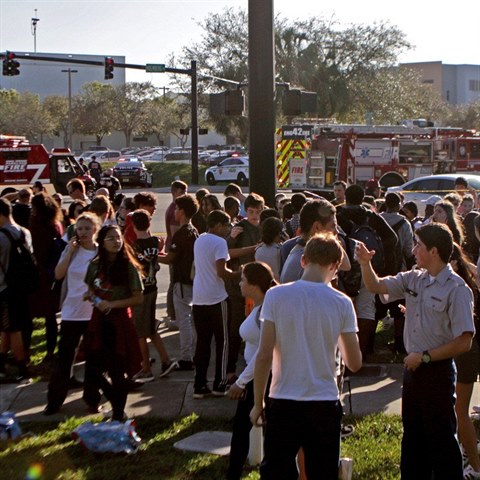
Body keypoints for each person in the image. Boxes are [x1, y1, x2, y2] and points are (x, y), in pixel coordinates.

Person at [355, 223, 475, 479]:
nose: (413, 249)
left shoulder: (457, 289)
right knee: (413, 442)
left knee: (441, 441)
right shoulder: (413, 278)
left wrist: (426, 356)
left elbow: (464, 341)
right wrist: (365, 263)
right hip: (413, 371)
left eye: (418, 245)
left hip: (437, 372)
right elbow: (376, 286)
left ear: (433, 251)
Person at [250, 233, 362, 480]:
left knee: (277, 471)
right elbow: (354, 362)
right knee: (322, 471)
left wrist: (258, 403)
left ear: (303, 260)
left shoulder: (276, 295)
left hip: (282, 398)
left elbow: (264, 355)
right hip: (323, 400)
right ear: (334, 267)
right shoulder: (342, 302)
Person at [83, 225, 143, 421]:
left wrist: (112, 304)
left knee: (118, 371)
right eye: (111, 238)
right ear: (101, 242)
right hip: (98, 321)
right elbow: (91, 288)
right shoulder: (95, 265)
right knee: (92, 368)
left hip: (119, 322)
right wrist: (92, 297)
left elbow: (138, 297)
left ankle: (118, 414)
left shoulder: (127, 266)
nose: (116, 241)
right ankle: (117, 406)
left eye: (118, 238)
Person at [44, 213, 100, 415]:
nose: (83, 232)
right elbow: (58, 274)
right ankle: (54, 401)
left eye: (87, 228)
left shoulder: (100, 252)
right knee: (64, 357)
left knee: (94, 358)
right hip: (72, 311)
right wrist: (69, 253)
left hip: (94, 311)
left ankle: (92, 400)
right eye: (80, 228)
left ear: (95, 230)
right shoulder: (71, 250)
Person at [226, 262, 277, 480]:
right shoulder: (260, 306)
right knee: (246, 429)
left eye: (243, 280)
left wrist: (241, 381)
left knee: (243, 430)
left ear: (254, 285)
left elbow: (264, 353)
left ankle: (234, 474)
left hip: (260, 378)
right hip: (256, 377)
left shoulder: (265, 310)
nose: (239, 283)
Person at [191, 210, 236, 398]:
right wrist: (238, 273)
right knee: (223, 342)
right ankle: (220, 383)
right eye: (227, 225)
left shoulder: (199, 239)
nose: (228, 229)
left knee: (202, 342)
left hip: (199, 298)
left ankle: (199, 385)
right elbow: (221, 271)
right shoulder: (220, 242)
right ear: (218, 225)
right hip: (217, 298)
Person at [130, 210, 177, 382]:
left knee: (141, 332)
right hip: (153, 287)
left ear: (133, 225)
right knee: (150, 328)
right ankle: (165, 360)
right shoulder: (154, 242)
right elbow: (156, 258)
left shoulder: (134, 246)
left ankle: (146, 368)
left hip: (141, 290)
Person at [159, 194, 199, 371]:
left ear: (182, 211)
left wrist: (155, 256)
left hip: (181, 283)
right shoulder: (194, 231)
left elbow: (170, 258)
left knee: (184, 321)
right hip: (193, 282)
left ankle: (186, 358)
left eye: (176, 208)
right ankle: (194, 354)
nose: (174, 211)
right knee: (192, 321)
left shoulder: (181, 234)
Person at [450, 244, 480, 479]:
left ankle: (476, 466)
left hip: (466, 354)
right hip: (468, 352)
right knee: (459, 411)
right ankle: (467, 452)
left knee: (460, 411)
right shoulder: (466, 285)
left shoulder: (458, 288)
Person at [29, 192, 65, 361]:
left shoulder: (36, 225)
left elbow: (36, 250)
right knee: (51, 316)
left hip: (39, 274)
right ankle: (51, 350)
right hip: (54, 272)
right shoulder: (56, 224)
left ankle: (28, 352)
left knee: (32, 314)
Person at [0, 198, 32, 381]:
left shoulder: (1, 236)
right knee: (8, 327)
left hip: (5, 288)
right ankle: (3, 361)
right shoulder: (24, 232)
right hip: (22, 286)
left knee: (13, 329)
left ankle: (21, 367)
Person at [165, 181, 188, 327]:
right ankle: (173, 314)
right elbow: (175, 234)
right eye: (182, 192)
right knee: (175, 283)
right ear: (174, 192)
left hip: (173, 248)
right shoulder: (175, 210)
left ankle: (172, 313)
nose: (185, 194)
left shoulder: (176, 208)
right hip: (174, 250)